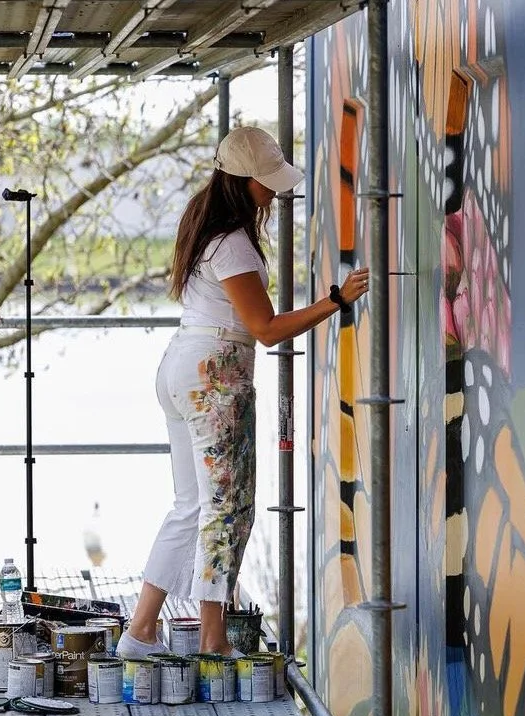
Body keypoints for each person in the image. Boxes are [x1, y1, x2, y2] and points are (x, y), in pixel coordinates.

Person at [116, 126, 370, 659]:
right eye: (266, 183)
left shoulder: (201, 225)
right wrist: (336, 300)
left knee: (192, 505)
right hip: (215, 374)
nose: (273, 193)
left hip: (181, 366)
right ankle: (211, 639)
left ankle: (140, 631)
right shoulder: (232, 242)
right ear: (241, 182)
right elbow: (267, 328)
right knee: (229, 506)